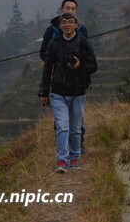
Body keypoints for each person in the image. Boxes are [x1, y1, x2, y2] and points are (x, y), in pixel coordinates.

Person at [39, 12, 97, 173]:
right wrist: (44, 92)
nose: (66, 25)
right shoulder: (54, 43)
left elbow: (93, 66)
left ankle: (74, 157)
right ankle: (62, 160)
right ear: (60, 26)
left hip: (78, 92)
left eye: (70, 22)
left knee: (75, 128)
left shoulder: (84, 43)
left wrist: (79, 66)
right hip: (58, 92)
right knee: (62, 127)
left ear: (76, 25)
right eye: (63, 22)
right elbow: (47, 68)